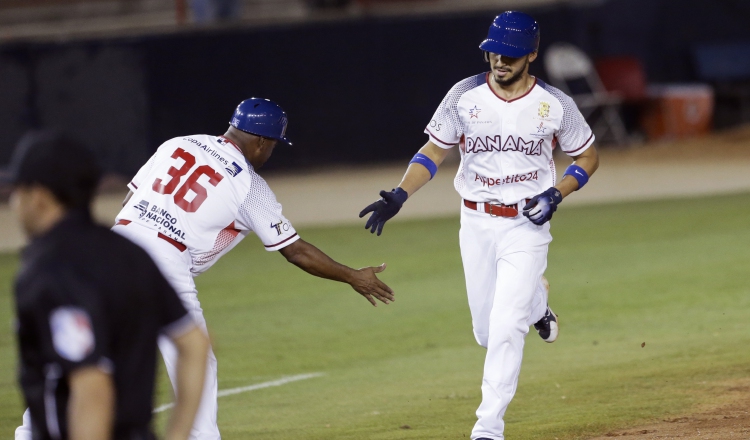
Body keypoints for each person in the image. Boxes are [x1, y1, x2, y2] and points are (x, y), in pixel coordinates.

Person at [359, 11, 600, 439]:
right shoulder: (464, 95)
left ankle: (487, 429)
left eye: (508, 54)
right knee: (487, 333)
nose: (499, 61)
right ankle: (538, 305)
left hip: (527, 224)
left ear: (531, 54)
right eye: (493, 52)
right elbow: (434, 151)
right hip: (476, 222)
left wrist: (557, 193)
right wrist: (400, 194)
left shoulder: (555, 104)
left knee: (507, 328)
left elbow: (588, 156)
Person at [110, 97, 394, 439]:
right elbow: (295, 251)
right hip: (164, 264)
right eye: (273, 145)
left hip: (113, 247)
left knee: (89, 350)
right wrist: (353, 276)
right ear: (261, 142)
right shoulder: (249, 185)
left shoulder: (178, 143)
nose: (271, 152)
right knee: (194, 357)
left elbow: (131, 201)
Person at [8, 131, 210, 440]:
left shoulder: (49, 270)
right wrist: (178, 434)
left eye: (16, 190)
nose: (12, 201)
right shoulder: (130, 254)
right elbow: (194, 343)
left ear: (39, 196)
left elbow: (91, 385)